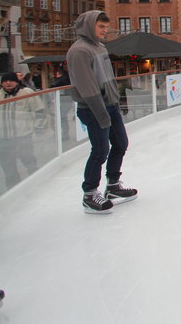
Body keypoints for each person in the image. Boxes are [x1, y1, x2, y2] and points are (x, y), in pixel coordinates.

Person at [67, 11, 137, 214]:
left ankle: (113, 186)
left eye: (106, 27)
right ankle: (89, 194)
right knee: (99, 151)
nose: (105, 30)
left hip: (110, 104)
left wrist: (116, 102)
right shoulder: (79, 51)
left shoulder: (99, 47)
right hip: (93, 108)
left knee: (121, 144)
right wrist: (102, 113)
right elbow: (88, 87)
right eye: (101, 27)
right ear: (89, 26)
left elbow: (108, 79)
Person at [0, 72, 41, 189]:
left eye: (11, 80)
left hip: (23, 135)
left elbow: (39, 111)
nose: (8, 83)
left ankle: (35, 182)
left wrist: (38, 128)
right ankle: (13, 187)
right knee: (7, 165)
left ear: (16, 81)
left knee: (28, 160)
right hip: (4, 138)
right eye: (5, 81)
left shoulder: (26, 93)